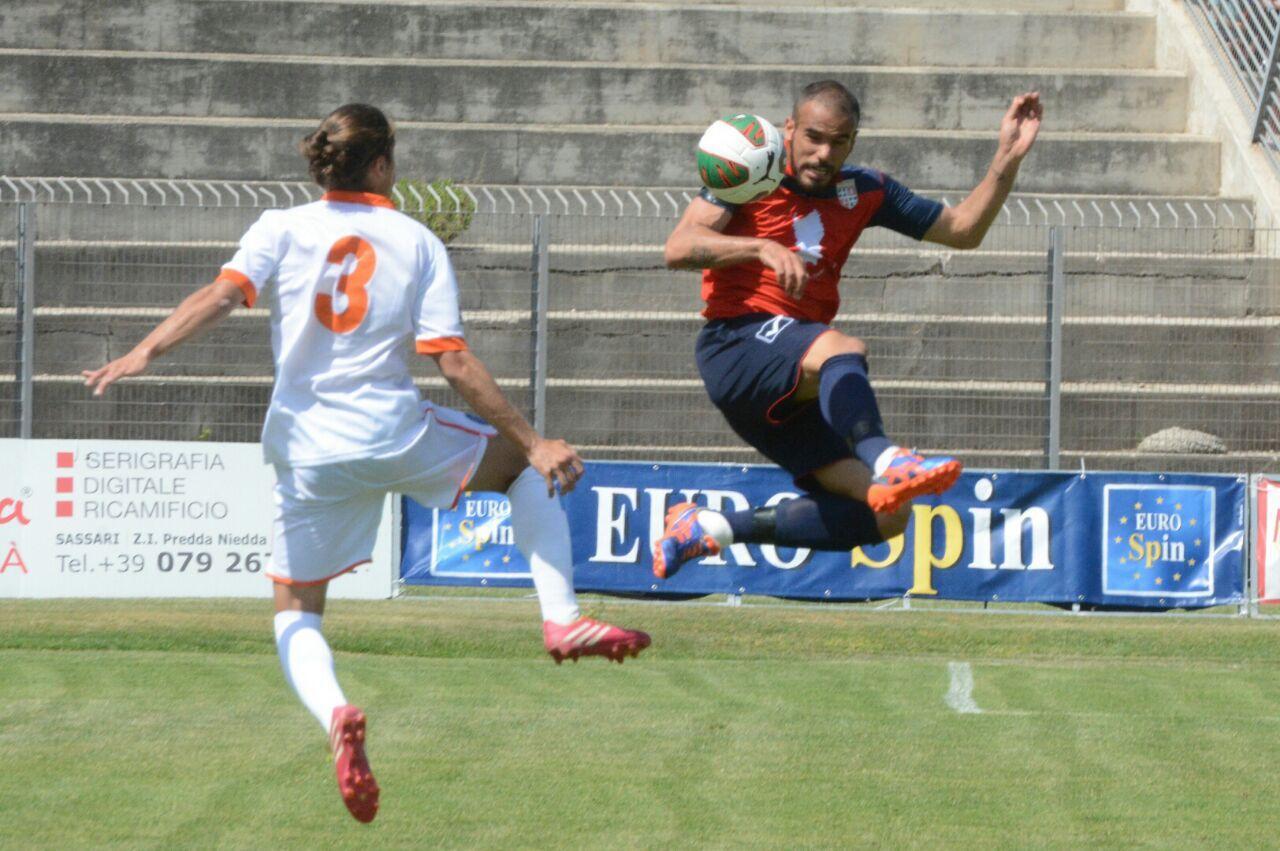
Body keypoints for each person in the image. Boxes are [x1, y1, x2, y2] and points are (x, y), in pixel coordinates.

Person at [82, 103, 651, 824]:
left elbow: (221, 295)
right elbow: (451, 360)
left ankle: (336, 714)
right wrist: (533, 439)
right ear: (381, 164)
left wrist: (144, 350)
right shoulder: (416, 241)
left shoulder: (280, 227)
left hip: (306, 450)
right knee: (518, 466)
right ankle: (561, 618)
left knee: (296, 609)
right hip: (391, 434)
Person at [654, 81, 1042, 578]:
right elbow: (679, 247)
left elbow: (963, 230)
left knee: (888, 513)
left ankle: (711, 527)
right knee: (842, 348)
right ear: (789, 129)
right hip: (737, 342)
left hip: (789, 381)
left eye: (838, 142)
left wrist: (1007, 157)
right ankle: (887, 456)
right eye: (813, 137)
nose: (823, 153)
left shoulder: (864, 190)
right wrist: (761, 247)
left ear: (853, 141)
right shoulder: (754, 171)